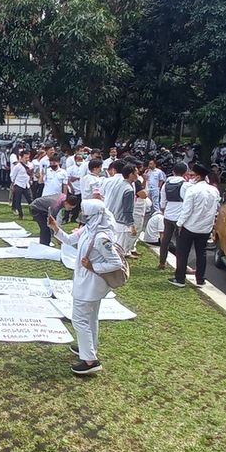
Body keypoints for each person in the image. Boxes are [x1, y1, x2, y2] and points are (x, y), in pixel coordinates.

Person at [49, 198, 124, 375]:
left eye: (86, 213)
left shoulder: (101, 237)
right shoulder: (90, 229)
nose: (83, 215)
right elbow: (68, 240)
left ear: (95, 216)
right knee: (90, 319)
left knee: (79, 319)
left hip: (91, 284)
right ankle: (89, 348)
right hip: (86, 282)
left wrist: (93, 267)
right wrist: (55, 228)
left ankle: (90, 360)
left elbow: (116, 263)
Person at [169, 163, 220, 288]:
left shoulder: (192, 190)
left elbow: (187, 210)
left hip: (190, 226)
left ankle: (180, 279)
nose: (190, 177)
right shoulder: (214, 190)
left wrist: (179, 224)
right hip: (205, 227)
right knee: (201, 253)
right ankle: (200, 279)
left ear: (197, 177)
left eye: (192, 175)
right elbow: (216, 208)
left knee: (182, 253)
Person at [159, 162, 190, 269]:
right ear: (185, 172)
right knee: (180, 243)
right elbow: (188, 202)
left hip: (168, 215)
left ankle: (162, 262)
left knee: (165, 240)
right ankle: (181, 267)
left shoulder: (166, 184)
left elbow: (162, 202)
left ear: (173, 171)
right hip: (180, 217)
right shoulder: (186, 185)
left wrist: (164, 210)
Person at [103, 164, 136, 249]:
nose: (137, 175)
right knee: (119, 250)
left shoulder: (117, 184)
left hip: (111, 219)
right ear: (131, 174)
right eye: (136, 173)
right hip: (121, 223)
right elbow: (127, 210)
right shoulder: (129, 190)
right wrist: (131, 225)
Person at [10, 150, 33, 218]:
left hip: (26, 185)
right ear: (21, 158)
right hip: (19, 185)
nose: (27, 159)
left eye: (28, 157)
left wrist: (30, 180)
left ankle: (33, 214)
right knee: (18, 200)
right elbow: (12, 175)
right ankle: (20, 214)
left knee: (30, 200)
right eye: (25, 158)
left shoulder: (30, 165)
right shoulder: (18, 166)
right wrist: (13, 183)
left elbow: (31, 173)